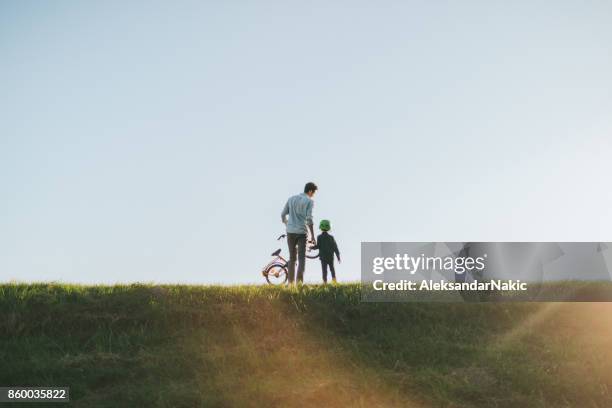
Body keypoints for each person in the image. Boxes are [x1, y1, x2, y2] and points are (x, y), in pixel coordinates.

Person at [281, 182, 317, 284]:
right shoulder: (309, 201)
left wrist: (287, 224)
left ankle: (291, 283)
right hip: (302, 232)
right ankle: (299, 283)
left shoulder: (291, 199)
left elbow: (283, 214)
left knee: (292, 258)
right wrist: (313, 235)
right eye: (313, 193)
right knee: (301, 258)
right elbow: (309, 219)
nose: (313, 195)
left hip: (290, 232)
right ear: (310, 191)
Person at [313, 219, 341, 283]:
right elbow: (335, 248)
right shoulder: (331, 237)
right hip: (330, 257)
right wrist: (338, 256)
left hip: (323, 257)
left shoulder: (319, 237)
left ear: (321, 227)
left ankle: (325, 282)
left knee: (324, 270)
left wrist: (312, 247)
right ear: (329, 228)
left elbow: (318, 246)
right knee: (332, 269)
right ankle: (334, 281)